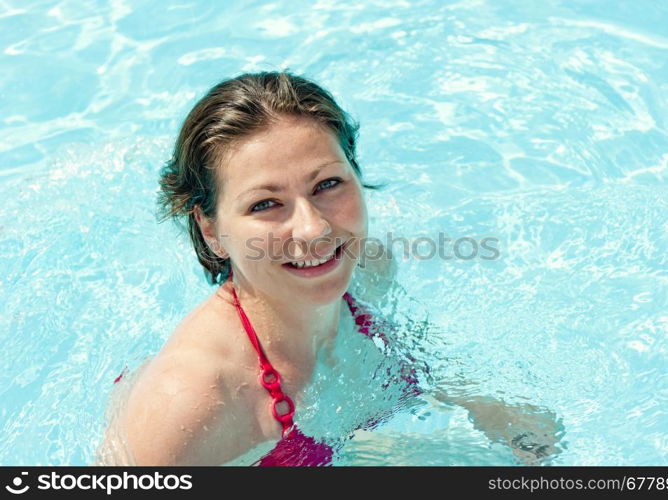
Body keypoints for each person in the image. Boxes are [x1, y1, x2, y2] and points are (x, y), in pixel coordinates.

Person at [95, 71, 563, 466]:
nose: (314, 230)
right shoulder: (192, 407)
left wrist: (481, 405)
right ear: (211, 229)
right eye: (265, 203)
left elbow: (417, 350)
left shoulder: (365, 268)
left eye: (327, 184)